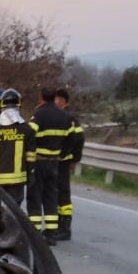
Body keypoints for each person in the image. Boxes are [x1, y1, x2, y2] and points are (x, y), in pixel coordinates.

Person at [26, 87, 75, 243]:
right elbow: (71, 138)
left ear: (41, 97)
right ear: (54, 97)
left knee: (34, 196)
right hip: (55, 162)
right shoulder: (65, 116)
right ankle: (51, 233)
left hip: (39, 161)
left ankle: (35, 232)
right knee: (51, 197)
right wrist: (61, 154)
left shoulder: (39, 114)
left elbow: (29, 134)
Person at [0, 89, 33, 205]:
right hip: (17, 180)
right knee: (14, 212)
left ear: (1, 105)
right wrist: (30, 173)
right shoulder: (26, 129)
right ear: (19, 105)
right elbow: (31, 155)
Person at [54, 87, 84, 240]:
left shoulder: (69, 118)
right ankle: (59, 224)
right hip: (58, 160)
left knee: (63, 193)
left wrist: (73, 158)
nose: (54, 102)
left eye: (56, 99)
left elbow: (78, 139)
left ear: (62, 101)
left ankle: (65, 227)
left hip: (63, 161)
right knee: (57, 192)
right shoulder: (60, 116)